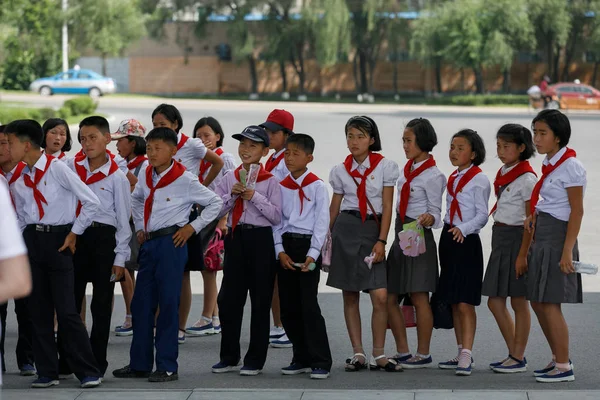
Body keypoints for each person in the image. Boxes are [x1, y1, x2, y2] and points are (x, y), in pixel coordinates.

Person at [112, 127, 222, 382]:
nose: (151, 153)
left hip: (172, 244)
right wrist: (139, 226)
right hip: (149, 244)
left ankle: (167, 365)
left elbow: (215, 203)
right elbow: (138, 199)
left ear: (173, 151)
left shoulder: (184, 179)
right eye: (149, 148)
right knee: (141, 304)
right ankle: (139, 364)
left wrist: (190, 228)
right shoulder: (147, 174)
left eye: (157, 148)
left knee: (168, 304)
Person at [7, 119, 103, 389]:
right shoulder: (21, 177)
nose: (7, 148)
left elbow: (91, 201)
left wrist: (74, 233)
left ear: (26, 145)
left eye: (10, 143)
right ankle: (47, 371)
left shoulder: (57, 169)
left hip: (60, 239)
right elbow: (22, 216)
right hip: (33, 241)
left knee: (67, 311)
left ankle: (87, 370)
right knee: (37, 310)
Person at [327, 116, 402, 372]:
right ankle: (357, 353)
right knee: (350, 294)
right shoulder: (339, 170)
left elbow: (388, 206)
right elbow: (335, 207)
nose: (354, 141)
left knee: (380, 295)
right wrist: (325, 239)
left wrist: (382, 240)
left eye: (360, 136)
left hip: (372, 230)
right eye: (350, 135)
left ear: (372, 140)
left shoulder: (385, 167)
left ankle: (379, 354)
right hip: (345, 230)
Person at [59, 116, 131, 376]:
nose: (86, 143)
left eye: (92, 137)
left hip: (103, 241)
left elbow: (124, 222)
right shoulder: (69, 167)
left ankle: (97, 363)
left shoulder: (117, 178)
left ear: (107, 139)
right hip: (75, 238)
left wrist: (120, 258)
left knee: (100, 306)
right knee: (70, 303)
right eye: (82, 139)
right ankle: (67, 360)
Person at [211, 125, 282, 376]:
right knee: (229, 300)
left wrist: (254, 197)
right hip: (236, 236)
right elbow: (216, 211)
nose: (246, 149)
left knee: (261, 300)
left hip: (261, 239)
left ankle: (255, 360)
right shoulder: (230, 176)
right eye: (243, 144)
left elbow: (276, 216)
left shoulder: (271, 181)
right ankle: (228, 356)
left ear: (264, 151)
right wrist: (231, 197)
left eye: (253, 145)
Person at [151, 103, 224, 344]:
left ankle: (180, 328)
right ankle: (160, 324)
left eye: (163, 125)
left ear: (175, 124)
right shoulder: (157, 148)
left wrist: (200, 185)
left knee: (182, 273)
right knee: (161, 275)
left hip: (186, 218)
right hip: (161, 217)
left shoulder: (191, 144)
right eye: (155, 125)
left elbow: (218, 162)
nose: (159, 129)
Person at [526, 110, 585, 383]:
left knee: (550, 304)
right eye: (535, 132)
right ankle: (557, 357)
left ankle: (564, 366)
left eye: (542, 133)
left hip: (558, 240)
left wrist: (566, 252)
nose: (536, 139)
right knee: (538, 301)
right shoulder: (551, 164)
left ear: (558, 138)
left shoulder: (571, 166)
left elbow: (577, 212)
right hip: (543, 237)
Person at [386, 118, 445, 369]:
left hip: (418, 232)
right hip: (402, 232)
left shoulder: (434, 175)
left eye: (409, 141)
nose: (405, 146)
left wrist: (429, 218)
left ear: (422, 142)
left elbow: (437, 214)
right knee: (389, 295)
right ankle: (403, 350)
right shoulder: (406, 170)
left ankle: (423, 353)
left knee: (419, 295)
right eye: (403, 141)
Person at [274, 133, 332, 379]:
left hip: (308, 247)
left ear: (309, 158)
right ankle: (300, 356)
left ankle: (320, 360)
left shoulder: (317, 186)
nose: (289, 157)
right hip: (287, 247)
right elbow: (276, 220)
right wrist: (279, 250)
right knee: (288, 307)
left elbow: (322, 222)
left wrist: (313, 253)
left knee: (308, 305)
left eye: (296, 153)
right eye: (287, 152)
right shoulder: (281, 185)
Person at [482, 124, 537, 373]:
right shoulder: (505, 171)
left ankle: (517, 356)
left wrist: (523, 254)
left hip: (518, 240)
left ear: (522, 148)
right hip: (500, 238)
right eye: (498, 146)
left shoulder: (527, 179)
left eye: (507, 146)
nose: (501, 151)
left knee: (518, 302)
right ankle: (516, 354)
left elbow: (530, 223)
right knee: (494, 301)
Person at [437, 129, 491, 376]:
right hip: (449, 239)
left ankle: (467, 354)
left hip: (466, 241)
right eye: (452, 147)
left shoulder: (479, 180)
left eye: (460, 148)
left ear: (474, 153)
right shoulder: (454, 177)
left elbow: (482, 215)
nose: (454, 152)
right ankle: (460, 352)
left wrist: (463, 228)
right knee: (453, 299)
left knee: (466, 301)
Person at [186, 117, 236, 336]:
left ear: (218, 136)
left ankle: (208, 317)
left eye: (207, 135)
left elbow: (232, 190)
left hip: (217, 219)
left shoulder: (224, 158)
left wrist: (224, 220)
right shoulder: (198, 160)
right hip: (202, 217)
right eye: (198, 136)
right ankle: (214, 318)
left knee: (209, 268)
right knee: (209, 268)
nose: (202, 139)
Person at [0, 126, 35, 377]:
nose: (3, 149)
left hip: (28, 248)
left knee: (27, 310)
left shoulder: (29, 173)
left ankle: (27, 358)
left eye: (5, 143)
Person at [259, 109, 295, 348]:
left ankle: (285, 326)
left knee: (283, 282)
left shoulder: (287, 159)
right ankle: (278, 324)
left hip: (282, 223)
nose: (268, 135)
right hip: (270, 221)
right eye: (267, 130)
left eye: (274, 131)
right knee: (272, 280)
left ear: (286, 133)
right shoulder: (272, 158)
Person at [111, 119, 148, 336]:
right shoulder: (128, 163)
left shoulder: (142, 166)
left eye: (120, 140)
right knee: (128, 270)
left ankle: (133, 316)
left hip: (136, 223)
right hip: (129, 223)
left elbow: (138, 191)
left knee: (126, 267)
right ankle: (131, 314)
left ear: (133, 142)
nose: (116, 145)